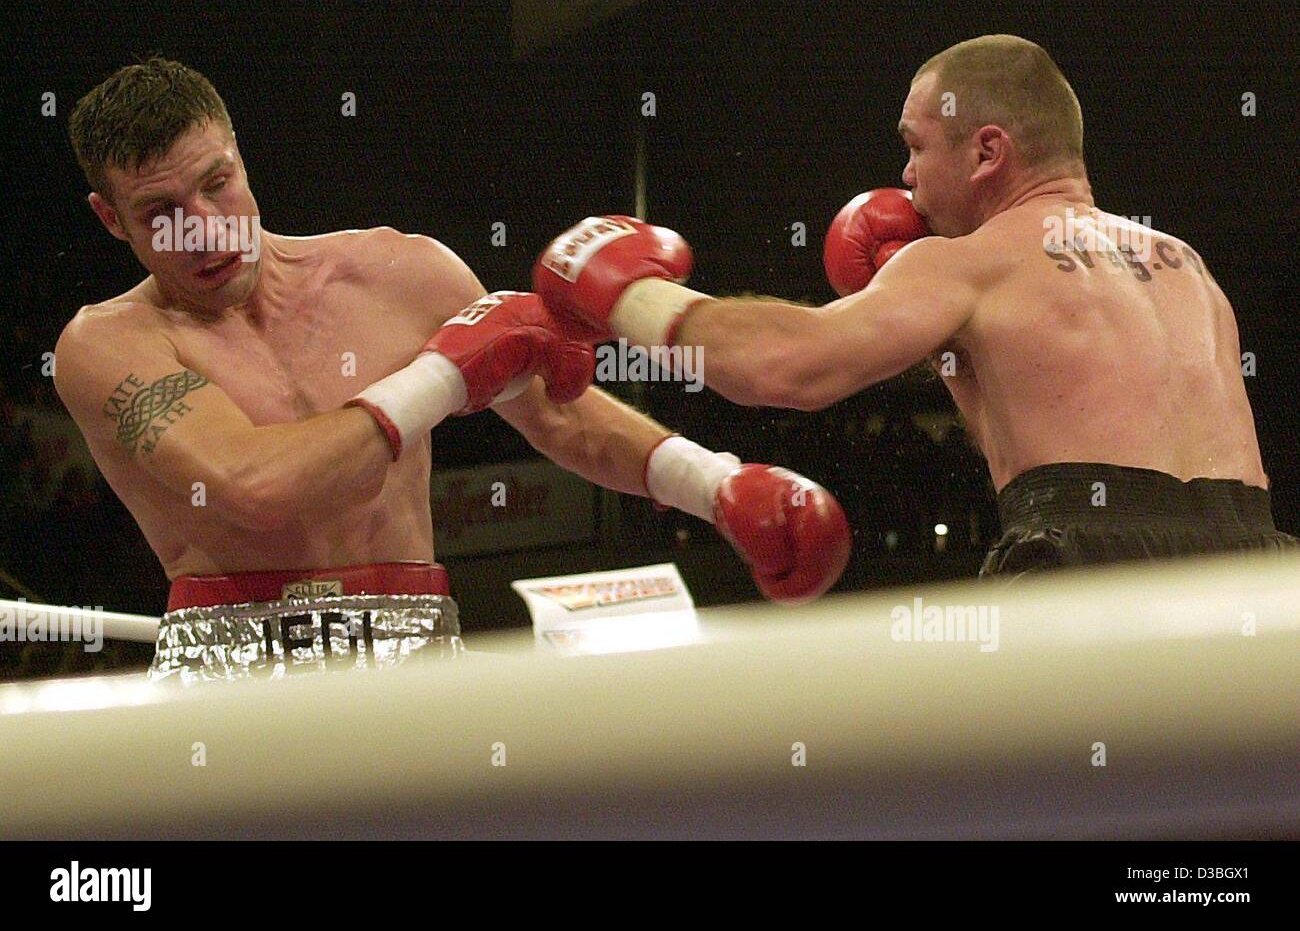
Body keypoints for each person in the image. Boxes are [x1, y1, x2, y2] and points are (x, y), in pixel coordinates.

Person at [55, 58, 850, 681]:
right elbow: (254, 485)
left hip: (414, 636)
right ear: (109, 218)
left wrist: (713, 483)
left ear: (240, 156)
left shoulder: (400, 273)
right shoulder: (109, 345)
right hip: (234, 655)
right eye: (161, 213)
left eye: (216, 183)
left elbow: (560, 412)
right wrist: (443, 373)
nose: (203, 229)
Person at [533, 35, 1297, 575]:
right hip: (1255, 570)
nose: (905, 175)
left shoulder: (966, 263)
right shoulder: (1187, 267)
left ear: (987, 152)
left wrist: (623, 289)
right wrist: (953, 356)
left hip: (1086, 561)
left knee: (1056, 806)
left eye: (916, 145)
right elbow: (1048, 432)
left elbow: (784, 367)